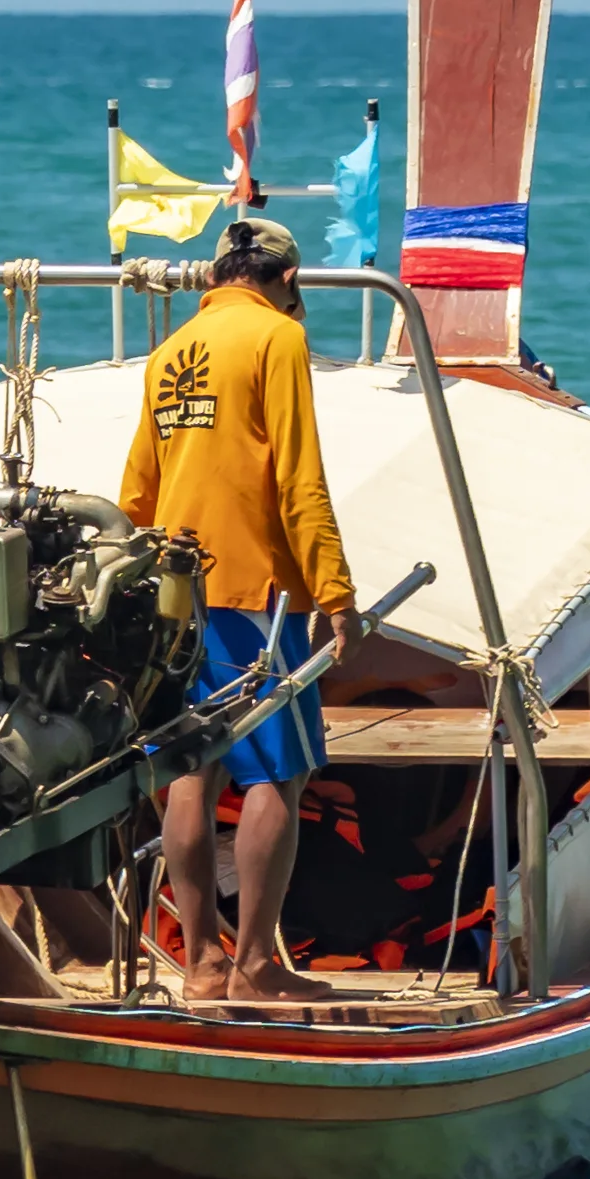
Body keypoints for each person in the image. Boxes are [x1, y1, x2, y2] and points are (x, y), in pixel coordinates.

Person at [117, 213, 357, 1001]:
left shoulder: (170, 351)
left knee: (189, 768)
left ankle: (200, 965)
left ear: (218, 276)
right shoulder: (277, 340)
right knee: (275, 775)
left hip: (176, 593)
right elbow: (300, 477)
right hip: (258, 593)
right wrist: (337, 592)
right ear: (288, 282)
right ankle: (255, 964)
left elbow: (136, 492)